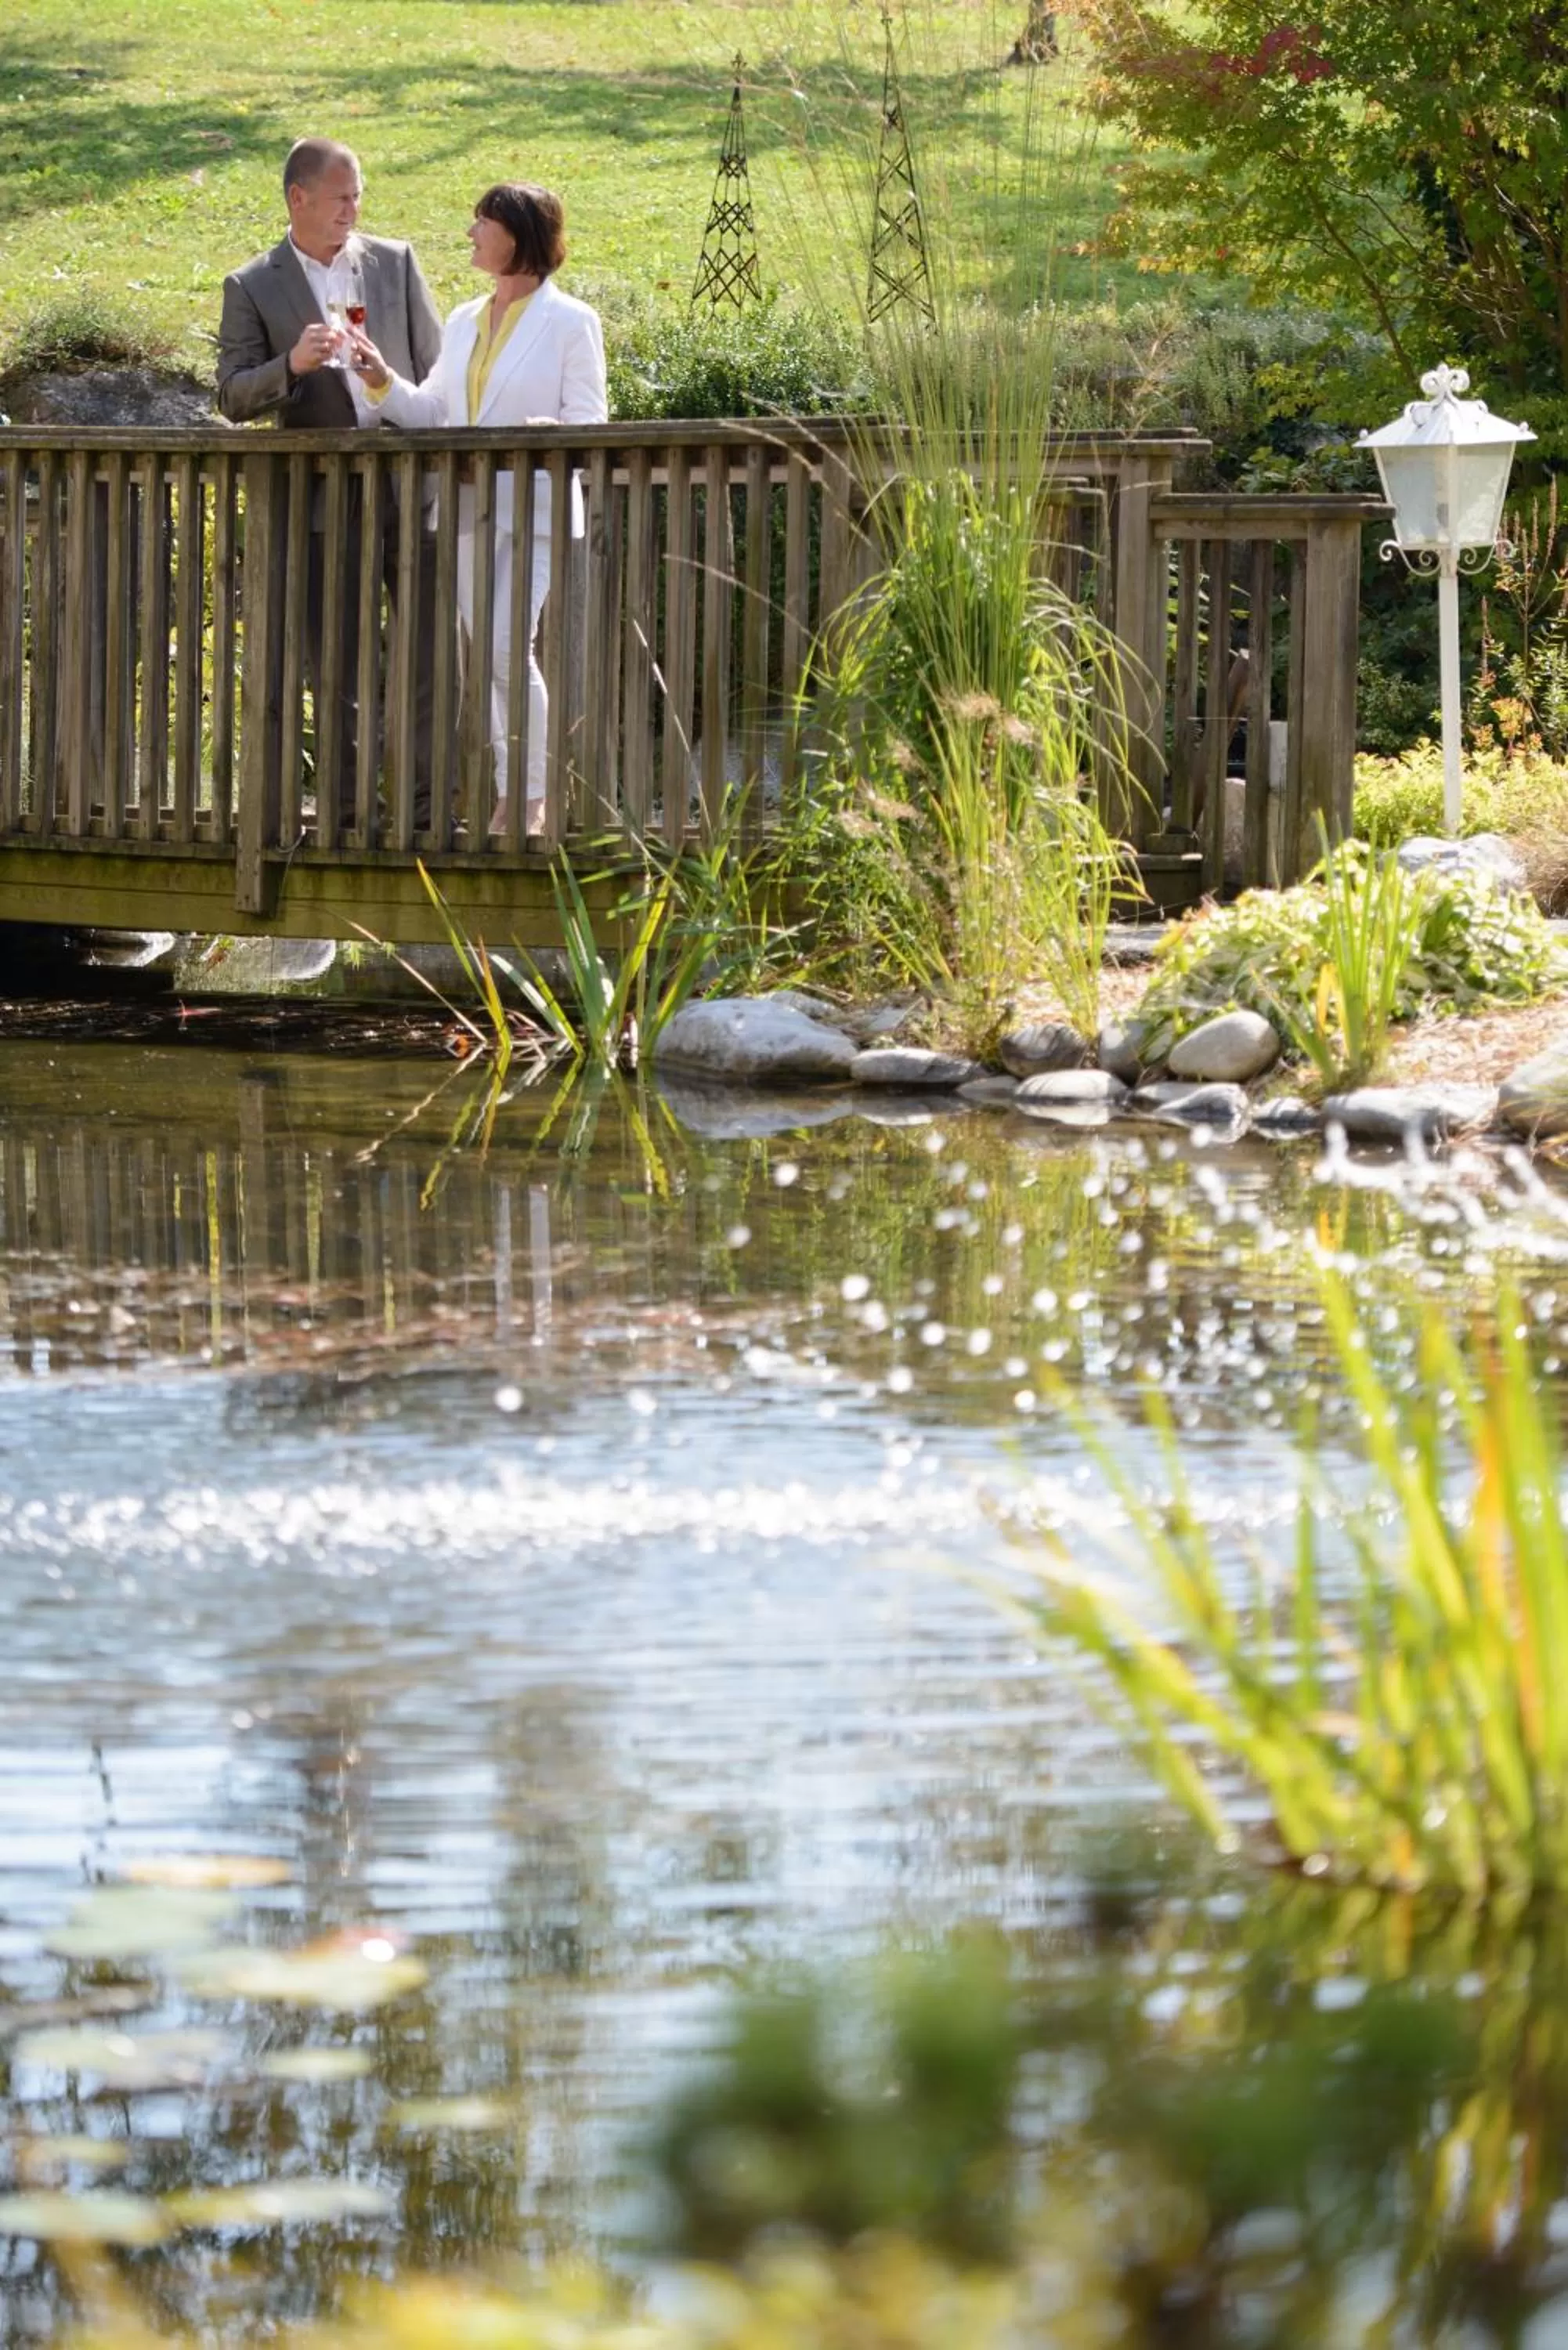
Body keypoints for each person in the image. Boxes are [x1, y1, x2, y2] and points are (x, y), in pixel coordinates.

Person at [349, 182, 608, 834]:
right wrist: (379, 376)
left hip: (535, 511)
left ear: (517, 235)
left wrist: (540, 437)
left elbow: (589, 425)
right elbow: (433, 412)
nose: (470, 233)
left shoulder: (574, 322)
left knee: (502, 652)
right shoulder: (464, 319)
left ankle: (527, 800)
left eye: (481, 223)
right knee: (487, 653)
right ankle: (515, 796)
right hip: (467, 510)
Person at [215, 137, 443, 830]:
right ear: (299, 198)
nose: (354, 207)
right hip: (322, 501)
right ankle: (346, 813)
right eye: (342, 195)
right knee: (338, 664)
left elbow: (437, 368)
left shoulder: (396, 263)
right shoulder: (252, 284)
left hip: (410, 485)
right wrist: (291, 364)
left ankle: (425, 806)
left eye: (359, 195)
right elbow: (230, 396)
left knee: (431, 656)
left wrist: (393, 386)